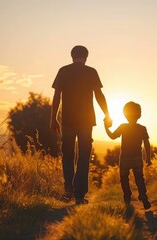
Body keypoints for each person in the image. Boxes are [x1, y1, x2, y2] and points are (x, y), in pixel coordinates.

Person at [50, 45, 112, 205]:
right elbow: (99, 95)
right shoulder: (91, 72)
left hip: (68, 120)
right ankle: (78, 195)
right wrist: (107, 114)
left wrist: (53, 119)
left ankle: (68, 188)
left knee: (68, 155)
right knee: (84, 156)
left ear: (72, 56)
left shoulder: (63, 71)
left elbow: (56, 97)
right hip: (86, 121)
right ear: (86, 57)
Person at [104, 101, 152, 209]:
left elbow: (112, 136)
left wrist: (106, 127)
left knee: (124, 178)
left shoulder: (123, 127)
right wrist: (148, 157)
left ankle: (127, 198)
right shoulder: (142, 128)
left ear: (125, 114)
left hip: (125, 158)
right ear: (139, 115)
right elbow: (147, 144)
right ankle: (143, 195)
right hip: (137, 158)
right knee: (139, 178)